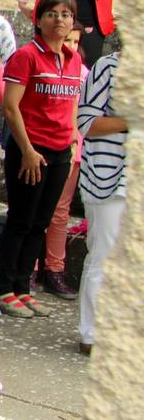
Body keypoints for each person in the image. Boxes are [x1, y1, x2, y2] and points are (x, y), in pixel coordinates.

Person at [0, 0, 82, 320]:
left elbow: (71, 104)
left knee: (41, 224)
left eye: (66, 15)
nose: (59, 20)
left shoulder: (74, 59)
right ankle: (3, 288)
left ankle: (23, 289)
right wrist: (28, 150)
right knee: (21, 220)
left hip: (61, 151)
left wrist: (72, 140)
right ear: (39, 20)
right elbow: (11, 107)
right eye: (52, 14)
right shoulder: (27, 56)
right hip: (31, 149)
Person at [76, 50, 125, 356]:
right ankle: (91, 334)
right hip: (110, 175)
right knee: (104, 256)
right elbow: (86, 123)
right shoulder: (108, 65)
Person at [37, 24, 87, 299]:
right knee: (35, 209)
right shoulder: (40, 64)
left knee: (60, 211)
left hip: (71, 148)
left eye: (75, 41)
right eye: (66, 39)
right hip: (42, 143)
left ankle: (54, 268)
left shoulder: (84, 74)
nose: (70, 45)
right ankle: (30, 266)